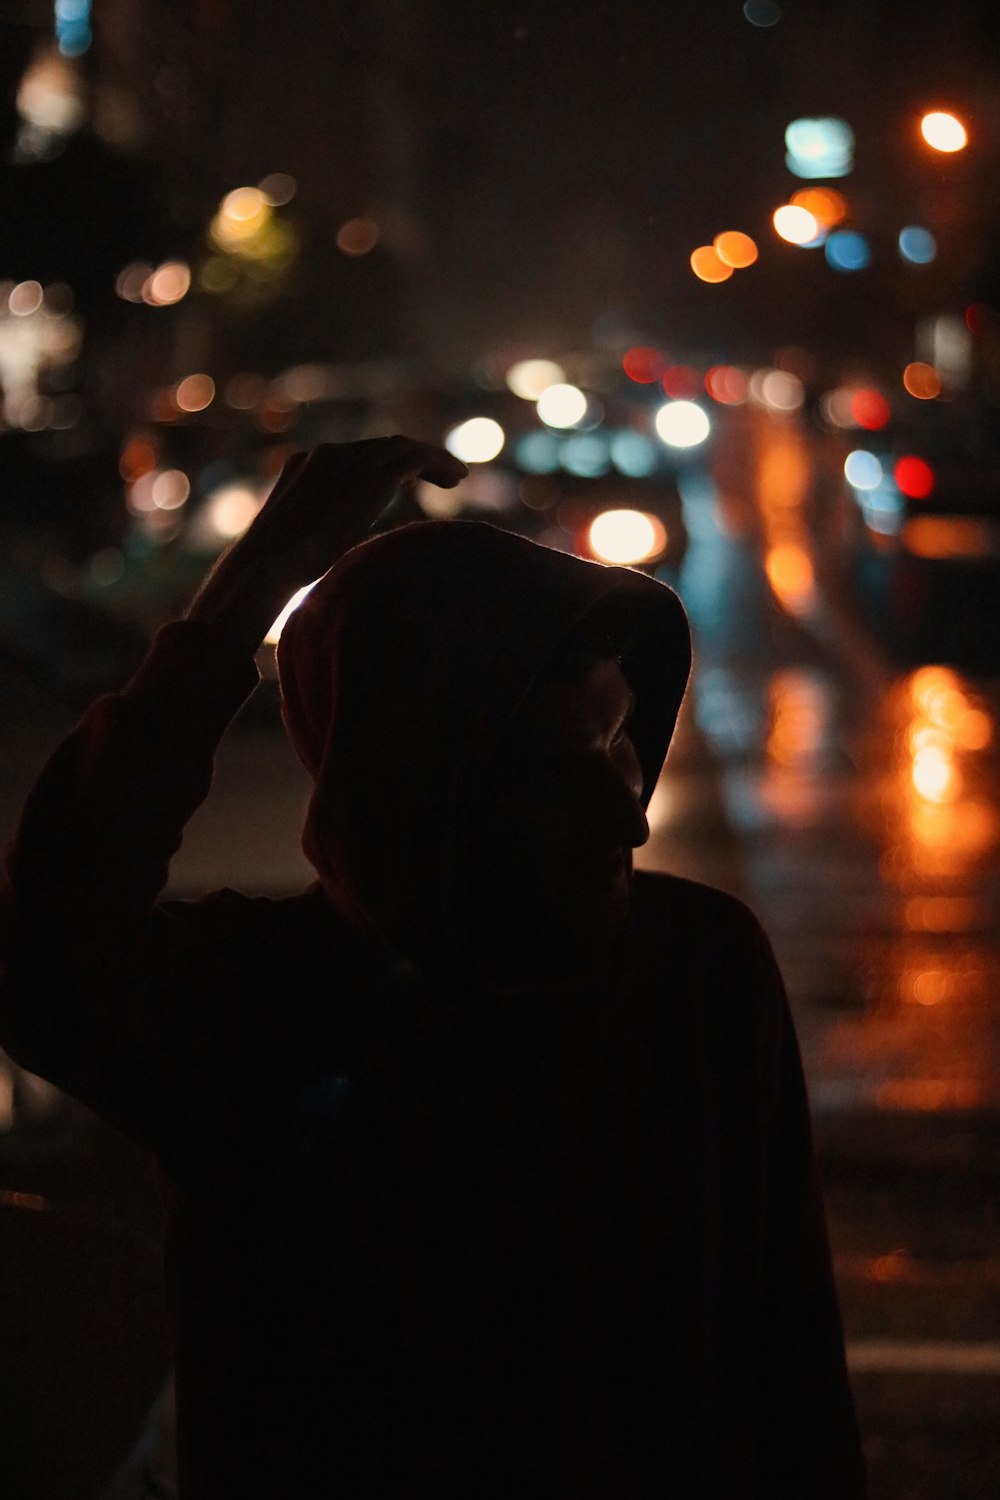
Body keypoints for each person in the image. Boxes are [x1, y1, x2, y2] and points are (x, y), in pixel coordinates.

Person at [0, 439, 867, 1498]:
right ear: (412, 785)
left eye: (618, 745)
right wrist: (245, 593)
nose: (622, 814)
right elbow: (43, 944)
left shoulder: (694, 962)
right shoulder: (269, 1003)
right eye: (553, 769)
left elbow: (786, 1361)